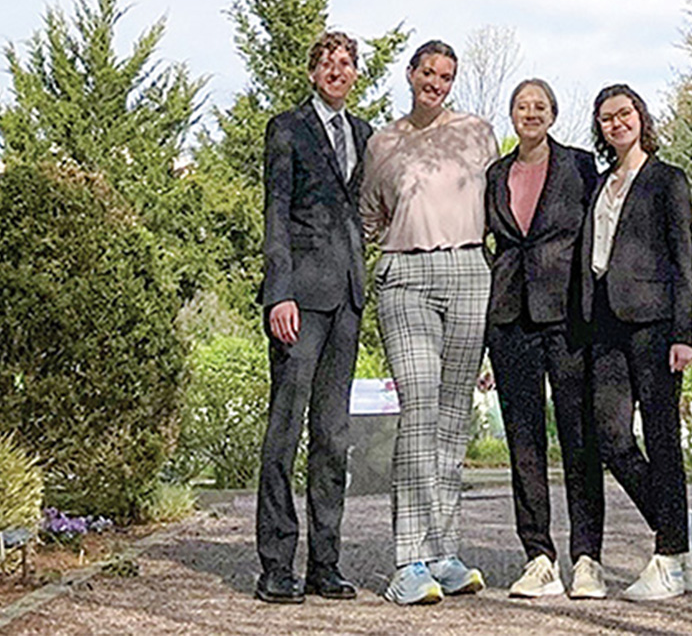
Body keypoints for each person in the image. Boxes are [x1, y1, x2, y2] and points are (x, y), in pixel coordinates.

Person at [360, 39, 497, 606]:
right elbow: (369, 215)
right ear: (410, 74)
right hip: (406, 276)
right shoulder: (382, 142)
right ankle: (408, 561)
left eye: (446, 76)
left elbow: (500, 204)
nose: (435, 82)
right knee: (419, 408)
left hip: (469, 271)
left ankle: (444, 553)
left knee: (450, 419)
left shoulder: (478, 133)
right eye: (428, 72)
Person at [255, 31, 372, 604]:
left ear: (354, 75)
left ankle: (326, 562)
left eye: (346, 65)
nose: (337, 72)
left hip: (347, 298)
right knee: (285, 430)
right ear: (312, 73)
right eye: (328, 64)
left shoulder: (364, 134)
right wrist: (279, 293)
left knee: (332, 436)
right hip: (298, 300)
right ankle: (277, 564)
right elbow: (276, 211)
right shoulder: (287, 128)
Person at [580, 84, 692, 601]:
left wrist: (683, 335)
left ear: (640, 118)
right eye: (607, 118)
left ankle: (670, 558)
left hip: (655, 325)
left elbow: (684, 261)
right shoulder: (601, 184)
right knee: (612, 437)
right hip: (605, 325)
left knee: (661, 437)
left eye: (624, 114)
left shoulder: (667, 180)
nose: (616, 123)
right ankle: (676, 520)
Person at [484, 79, 606, 600]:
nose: (529, 113)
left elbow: (601, 232)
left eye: (539, 106)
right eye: (521, 106)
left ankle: (587, 558)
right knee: (524, 442)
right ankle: (538, 556)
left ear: (553, 115)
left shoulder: (579, 166)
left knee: (580, 439)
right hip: (511, 319)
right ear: (512, 115)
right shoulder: (495, 174)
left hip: (568, 317)